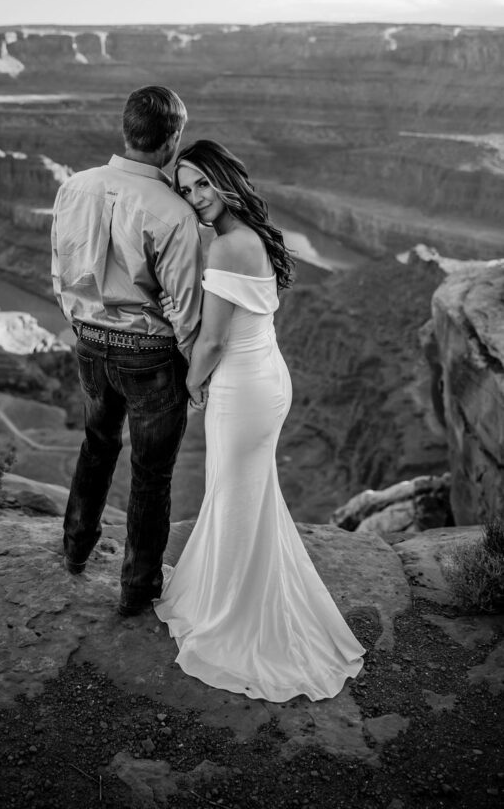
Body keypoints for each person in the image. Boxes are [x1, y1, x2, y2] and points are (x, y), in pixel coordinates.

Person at [154, 139, 365, 702]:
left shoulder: (227, 249)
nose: (195, 197)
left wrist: (192, 382)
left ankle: (240, 617)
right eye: (185, 188)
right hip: (265, 376)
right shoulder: (246, 238)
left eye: (202, 183)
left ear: (224, 180)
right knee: (245, 493)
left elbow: (215, 339)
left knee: (236, 493)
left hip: (241, 387)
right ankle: (235, 594)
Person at [50, 85, 204, 617]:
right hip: (152, 356)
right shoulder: (176, 214)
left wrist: (81, 323)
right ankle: (137, 589)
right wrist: (194, 369)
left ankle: (75, 548)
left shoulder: (74, 188)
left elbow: (61, 271)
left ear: (126, 129)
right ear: (173, 139)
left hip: (90, 343)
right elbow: (185, 309)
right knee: (151, 471)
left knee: (96, 444)